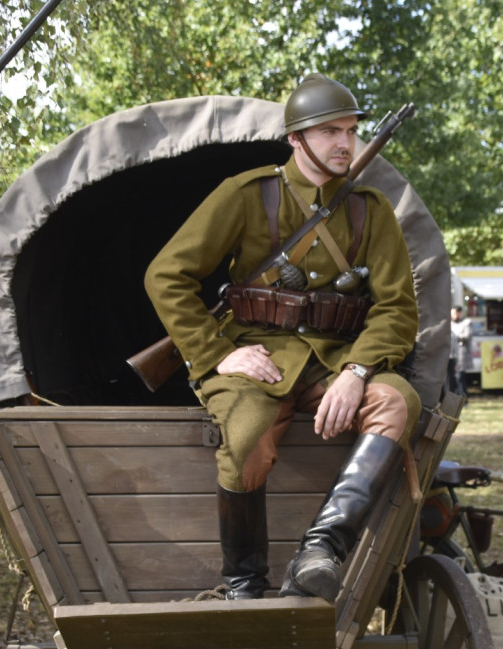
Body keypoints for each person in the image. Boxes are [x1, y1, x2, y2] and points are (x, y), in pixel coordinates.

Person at [145, 73, 420, 602]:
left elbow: (397, 310)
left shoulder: (371, 210)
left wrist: (357, 372)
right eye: (329, 132)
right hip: (257, 355)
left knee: (396, 401)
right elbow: (166, 275)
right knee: (246, 430)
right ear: (295, 138)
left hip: (336, 359)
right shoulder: (247, 196)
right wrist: (218, 354)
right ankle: (244, 582)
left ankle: (320, 549)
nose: (345, 143)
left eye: (351, 130)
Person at [449, 305, 472, 396]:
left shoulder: (467, 323)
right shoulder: (450, 323)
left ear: (459, 313)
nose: (453, 315)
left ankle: (463, 398)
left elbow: (467, 336)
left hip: (461, 354)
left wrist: (454, 337)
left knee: (460, 377)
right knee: (452, 378)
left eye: (454, 313)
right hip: (451, 355)